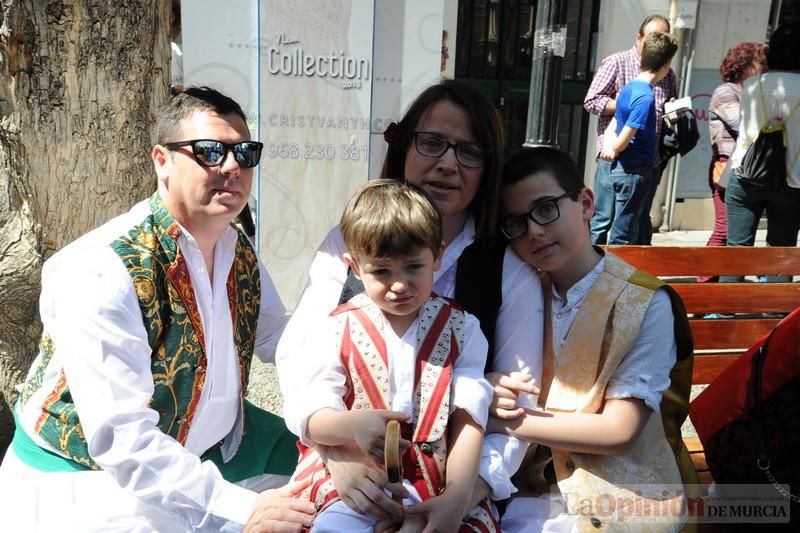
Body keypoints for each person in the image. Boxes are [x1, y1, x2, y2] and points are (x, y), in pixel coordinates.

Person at [0, 87, 315, 532]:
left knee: (339, 486)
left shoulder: (235, 245)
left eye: (245, 153)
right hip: (92, 485)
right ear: (161, 161)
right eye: (209, 151)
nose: (231, 166)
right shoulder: (101, 269)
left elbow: (279, 338)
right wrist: (246, 509)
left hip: (209, 448)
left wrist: (339, 401)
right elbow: (123, 440)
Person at [276, 79, 544, 524]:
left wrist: (463, 497)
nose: (447, 164)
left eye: (468, 151)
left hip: (453, 481)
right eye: (433, 143)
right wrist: (339, 457)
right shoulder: (351, 242)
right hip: (346, 471)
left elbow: (515, 410)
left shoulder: (506, 267)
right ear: (404, 146)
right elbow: (299, 362)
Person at [489, 147, 693, 531]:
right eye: (515, 223)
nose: (533, 230)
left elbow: (620, 431)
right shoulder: (522, 291)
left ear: (585, 203)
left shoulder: (645, 302)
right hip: (530, 487)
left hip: (623, 493)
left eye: (545, 208)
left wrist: (502, 421)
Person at [284, 179, 497, 531]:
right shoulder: (336, 328)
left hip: (438, 482)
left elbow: (469, 420)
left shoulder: (463, 329)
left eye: (413, 267)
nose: (399, 284)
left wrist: (457, 498)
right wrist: (350, 425)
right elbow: (312, 411)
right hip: (356, 479)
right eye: (382, 271)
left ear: (438, 255)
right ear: (354, 266)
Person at [584, 14, 677, 245]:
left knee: (639, 221)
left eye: (662, 37)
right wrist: (612, 141)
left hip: (650, 160)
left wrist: (674, 111)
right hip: (615, 160)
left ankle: (634, 275)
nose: (658, 43)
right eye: (654, 37)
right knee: (608, 223)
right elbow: (592, 101)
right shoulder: (619, 65)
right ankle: (598, 273)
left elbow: (666, 104)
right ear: (639, 38)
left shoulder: (661, 78)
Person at [723, 22, 800, 283]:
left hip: (746, 173)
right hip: (793, 182)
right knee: (781, 252)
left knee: (736, 252)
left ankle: (723, 315)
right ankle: (772, 316)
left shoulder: (754, 85)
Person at [699, 42, 767, 283]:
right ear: (745, 65)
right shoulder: (726, 92)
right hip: (726, 169)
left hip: (742, 170)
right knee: (724, 229)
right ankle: (704, 285)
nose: (763, 67)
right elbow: (744, 126)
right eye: (759, 62)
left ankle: (712, 287)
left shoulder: (748, 92)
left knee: (727, 230)